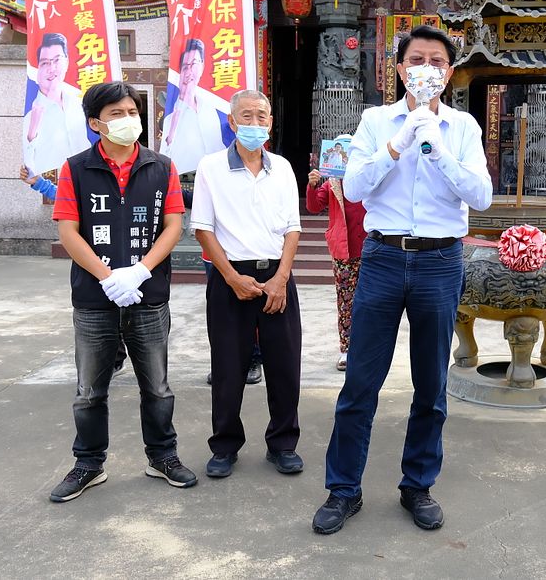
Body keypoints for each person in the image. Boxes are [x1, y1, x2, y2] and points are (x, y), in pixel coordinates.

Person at [313, 25, 492, 535]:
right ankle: (343, 488)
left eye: (437, 61)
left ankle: (418, 484)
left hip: (439, 262)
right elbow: (353, 187)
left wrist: (437, 146)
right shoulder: (374, 120)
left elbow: (479, 196)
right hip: (385, 257)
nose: (427, 69)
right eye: (417, 59)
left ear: (450, 73)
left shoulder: (463, 127)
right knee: (361, 382)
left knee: (431, 384)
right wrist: (398, 143)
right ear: (399, 68)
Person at [47, 82, 197, 503]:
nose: (128, 119)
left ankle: (162, 456)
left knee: (158, 387)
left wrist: (140, 271)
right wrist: (108, 277)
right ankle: (88, 464)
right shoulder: (75, 168)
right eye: (116, 113)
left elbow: (172, 225)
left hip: (148, 298)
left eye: (132, 110)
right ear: (95, 123)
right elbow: (67, 231)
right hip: (95, 300)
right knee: (90, 390)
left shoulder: (161, 165)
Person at [191, 89, 304, 480]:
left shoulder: (284, 168)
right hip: (230, 276)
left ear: (270, 123)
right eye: (247, 116)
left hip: (277, 275)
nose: (255, 123)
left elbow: (293, 228)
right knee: (228, 365)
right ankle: (224, 445)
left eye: (262, 116)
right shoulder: (210, 168)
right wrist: (231, 277)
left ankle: (283, 444)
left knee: (285, 365)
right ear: (232, 122)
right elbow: (203, 229)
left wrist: (281, 279)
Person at [20, 165, 129, 378]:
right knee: (102, 301)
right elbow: (70, 196)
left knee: (127, 302)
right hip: (96, 242)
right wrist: (40, 184)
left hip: (126, 243)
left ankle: (119, 355)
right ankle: (112, 357)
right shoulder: (83, 165)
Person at [306, 158, 368, 371]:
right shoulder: (332, 183)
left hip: (373, 250)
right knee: (346, 302)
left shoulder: (368, 178)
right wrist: (312, 185)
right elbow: (314, 206)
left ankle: (369, 349)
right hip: (344, 252)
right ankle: (347, 349)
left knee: (375, 303)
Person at [22, 33, 90, 175]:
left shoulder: (79, 103)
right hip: (58, 186)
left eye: (56, 60)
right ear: (37, 69)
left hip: (89, 181)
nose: (51, 68)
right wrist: (32, 132)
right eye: (45, 63)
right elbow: (29, 167)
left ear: (67, 62)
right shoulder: (31, 116)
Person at [160, 38, 232, 173]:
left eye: (194, 64)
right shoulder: (171, 117)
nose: (189, 72)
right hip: (184, 184)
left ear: (203, 66)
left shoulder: (216, 106)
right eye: (185, 67)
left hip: (218, 180)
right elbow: (166, 154)